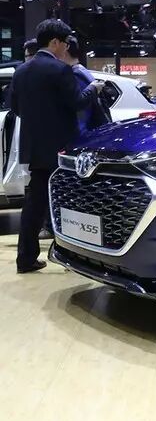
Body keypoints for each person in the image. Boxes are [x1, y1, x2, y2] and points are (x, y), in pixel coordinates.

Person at [10, 19, 104, 273]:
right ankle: (75, 256)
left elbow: (16, 108)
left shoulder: (21, 71)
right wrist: (93, 89)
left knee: (34, 204)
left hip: (35, 147)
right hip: (62, 148)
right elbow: (77, 102)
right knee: (69, 201)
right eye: (65, 43)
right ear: (54, 42)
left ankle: (25, 258)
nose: (66, 48)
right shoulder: (60, 70)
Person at [62, 35, 111, 133]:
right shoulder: (82, 70)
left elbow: (82, 111)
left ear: (65, 50)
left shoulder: (75, 74)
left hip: (85, 132)